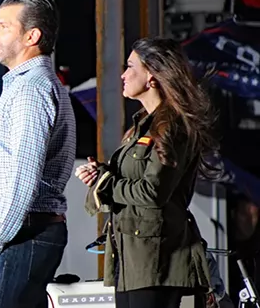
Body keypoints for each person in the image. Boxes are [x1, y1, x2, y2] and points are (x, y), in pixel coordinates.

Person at [77, 37, 219, 308]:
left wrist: (107, 183)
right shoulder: (141, 126)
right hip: (130, 260)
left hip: (157, 261)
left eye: (130, 66)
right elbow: (131, 180)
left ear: (152, 75)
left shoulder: (173, 127)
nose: (123, 74)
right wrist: (101, 174)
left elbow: (153, 191)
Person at [0, 0, 76, 308]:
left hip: (21, 237)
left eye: (3, 26)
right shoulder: (30, 85)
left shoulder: (31, 90)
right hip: (23, 235)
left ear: (32, 36)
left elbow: (23, 180)